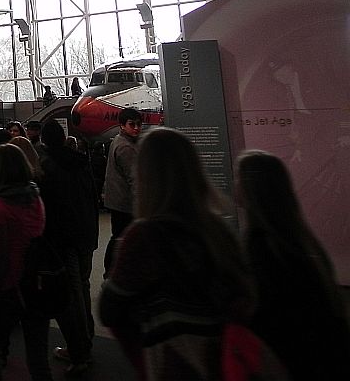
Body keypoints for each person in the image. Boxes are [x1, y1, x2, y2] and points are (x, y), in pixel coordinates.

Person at [99, 128, 254, 380]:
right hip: (223, 363)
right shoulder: (218, 230)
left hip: (174, 364)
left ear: (146, 175)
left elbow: (110, 309)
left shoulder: (144, 236)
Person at [236, 150, 350, 379]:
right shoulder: (299, 243)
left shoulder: (261, 247)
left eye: (238, 178)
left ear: (251, 189)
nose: (234, 184)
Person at [0, 143, 50, 381]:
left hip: (10, 284)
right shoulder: (35, 197)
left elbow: (2, 256)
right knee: (38, 359)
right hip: (35, 281)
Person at [38, 121, 98, 375]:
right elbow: (92, 197)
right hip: (87, 231)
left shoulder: (48, 166)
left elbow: (51, 207)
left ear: (44, 140)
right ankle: (87, 339)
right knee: (83, 286)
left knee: (71, 294)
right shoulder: (82, 162)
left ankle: (79, 350)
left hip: (65, 237)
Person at [102, 107, 141, 277]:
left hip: (116, 200)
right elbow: (134, 179)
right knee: (122, 237)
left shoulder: (118, 141)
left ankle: (111, 271)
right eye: (132, 124)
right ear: (122, 125)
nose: (136, 128)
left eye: (138, 124)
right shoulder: (126, 147)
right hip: (125, 203)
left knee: (118, 236)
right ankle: (114, 271)